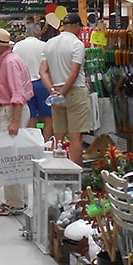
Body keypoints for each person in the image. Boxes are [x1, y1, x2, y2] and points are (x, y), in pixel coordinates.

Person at [0, 27, 32, 216]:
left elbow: (17, 94)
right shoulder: (11, 60)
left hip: (12, 112)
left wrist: (15, 121)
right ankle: (20, 200)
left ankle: (14, 202)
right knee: (16, 157)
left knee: (9, 158)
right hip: (10, 109)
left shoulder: (9, 63)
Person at [41, 12, 90, 163]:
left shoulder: (49, 43)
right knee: (76, 137)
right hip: (74, 91)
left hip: (55, 92)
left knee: (58, 135)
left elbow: (42, 71)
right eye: (80, 27)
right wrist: (63, 92)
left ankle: (56, 167)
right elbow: (74, 73)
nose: (80, 30)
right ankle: (76, 170)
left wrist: (53, 91)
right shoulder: (77, 44)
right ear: (76, 26)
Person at [14, 17, 57, 146]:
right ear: (38, 33)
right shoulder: (44, 46)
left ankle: (33, 144)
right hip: (42, 83)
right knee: (48, 117)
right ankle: (46, 144)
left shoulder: (17, 46)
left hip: (24, 85)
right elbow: (49, 67)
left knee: (30, 116)